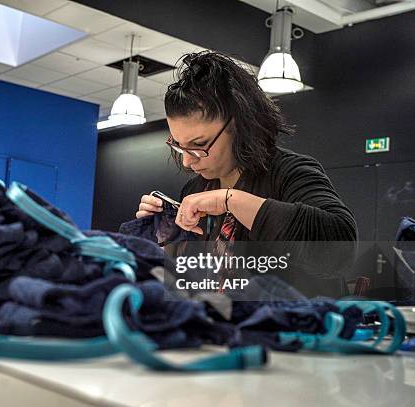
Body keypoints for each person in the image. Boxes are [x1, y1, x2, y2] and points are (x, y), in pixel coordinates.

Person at [134, 51, 357, 295]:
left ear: (241, 127)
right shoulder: (196, 188)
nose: (187, 161)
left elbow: (340, 250)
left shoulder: (291, 173)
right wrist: (166, 237)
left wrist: (230, 200)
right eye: (178, 145)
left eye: (199, 145)